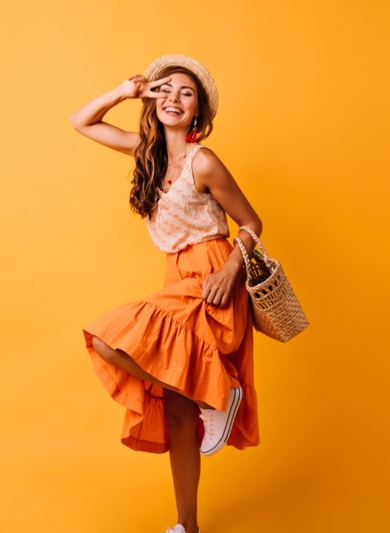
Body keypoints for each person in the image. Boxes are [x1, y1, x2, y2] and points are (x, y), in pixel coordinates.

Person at [70, 54, 262, 533]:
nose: (174, 99)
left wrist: (233, 269)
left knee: (107, 339)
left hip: (214, 275)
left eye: (186, 93)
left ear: (198, 112)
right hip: (176, 279)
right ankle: (188, 526)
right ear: (153, 100)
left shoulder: (205, 162)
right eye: (166, 90)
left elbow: (253, 223)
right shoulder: (147, 154)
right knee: (177, 414)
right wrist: (124, 90)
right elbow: (82, 122)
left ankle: (217, 394)